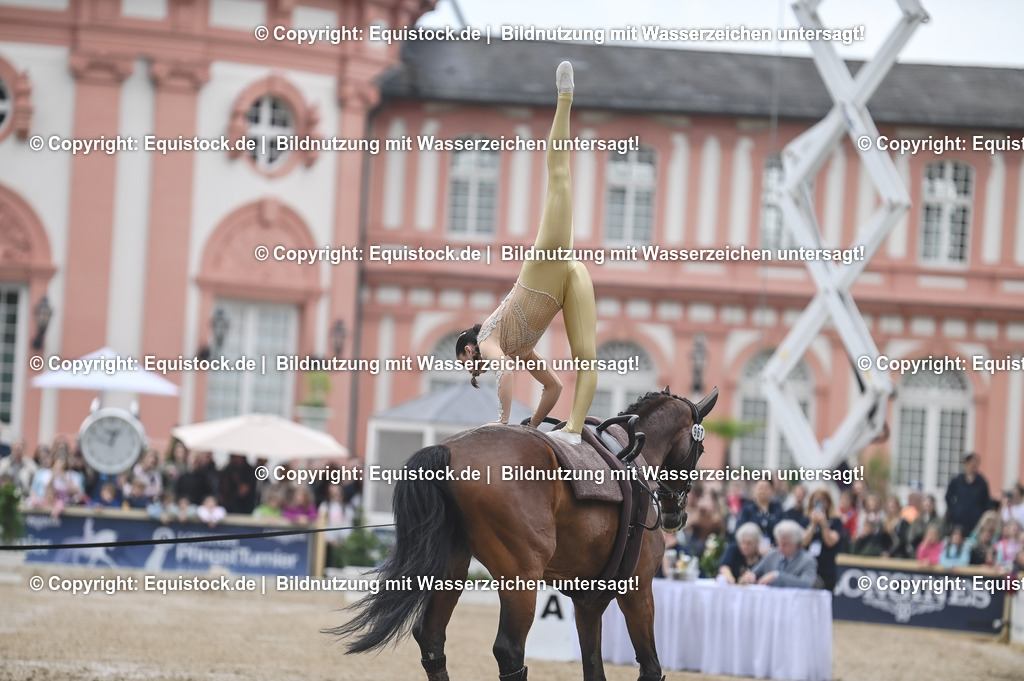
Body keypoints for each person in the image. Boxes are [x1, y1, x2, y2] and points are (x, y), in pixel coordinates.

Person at [455, 62, 596, 446]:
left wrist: (503, 422)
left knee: (560, 177)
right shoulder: (518, 346)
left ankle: (564, 96)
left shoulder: (487, 341)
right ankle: (574, 428)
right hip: (565, 280)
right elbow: (551, 389)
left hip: (542, 270)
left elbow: (502, 373)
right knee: (586, 356)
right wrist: (531, 428)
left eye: (467, 363)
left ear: (469, 350)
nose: (474, 368)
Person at [739, 520, 818, 588]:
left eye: (785, 544)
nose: (780, 547)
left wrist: (778, 576)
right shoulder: (772, 555)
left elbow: (807, 584)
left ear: (796, 544)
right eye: (778, 543)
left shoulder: (807, 560)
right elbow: (754, 572)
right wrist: (749, 576)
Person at [801, 489, 847, 591]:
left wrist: (823, 523)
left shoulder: (836, 521)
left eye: (822, 501)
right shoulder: (805, 519)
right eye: (816, 501)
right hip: (808, 566)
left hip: (827, 568)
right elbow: (803, 542)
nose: (819, 504)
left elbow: (830, 541)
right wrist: (812, 524)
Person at [945, 452, 991, 537]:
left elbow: (986, 501)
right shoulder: (957, 480)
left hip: (976, 519)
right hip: (959, 517)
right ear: (966, 463)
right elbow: (948, 496)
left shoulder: (981, 482)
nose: (974, 467)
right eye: (972, 464)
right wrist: (954, 510)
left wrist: (983, 515)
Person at [736, 479, 783, 547]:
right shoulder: (746, 510)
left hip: (774, 549)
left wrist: (774, 546)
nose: (763, 491)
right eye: (760, 488)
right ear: (754, 490)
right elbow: (739, 532)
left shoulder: (778, 510)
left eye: (766, 488)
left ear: (772, 490)